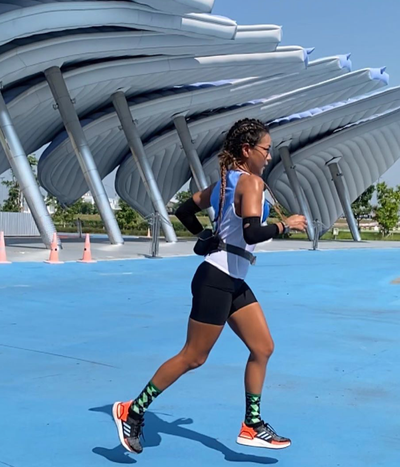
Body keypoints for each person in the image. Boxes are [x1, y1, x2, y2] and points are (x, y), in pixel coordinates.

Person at [112, 117, 307, 454]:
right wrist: (284, 225)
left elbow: (184, 211)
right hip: (217, 280)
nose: (269, 157)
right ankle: (132, 410)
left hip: (233, 280)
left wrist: (205, 235)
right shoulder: (251, 183)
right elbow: (251, 232)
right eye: (266, 150)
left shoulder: (223, 183)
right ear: (246, 150)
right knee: (193, 357)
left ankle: (252, 424)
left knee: (263, 348)